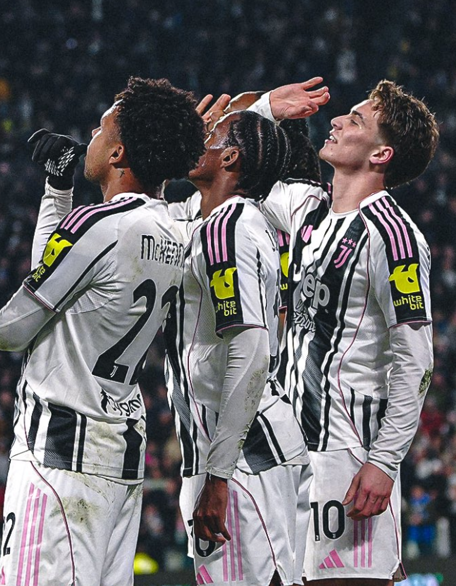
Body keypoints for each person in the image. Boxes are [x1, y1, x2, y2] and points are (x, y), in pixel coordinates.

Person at [0, 77, 205, 585]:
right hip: (121, 453)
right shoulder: (176, 231)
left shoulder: (97, 224)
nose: (91, 133)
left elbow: (10, 331)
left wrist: (62, 204)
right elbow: (55, 276)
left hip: (60, 452)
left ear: (117, 152)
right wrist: (57, 190)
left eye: (101, 127)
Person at [252, 78, 438, 584]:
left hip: (348, 456)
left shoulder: (394, 238)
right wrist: (269, 108)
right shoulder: (305, 208)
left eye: (355, 120)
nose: (335, 121)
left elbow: (416, 361)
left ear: (381, 154)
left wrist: (384, 462)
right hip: (286, 454)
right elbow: (239, 160)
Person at [164, 106, 312, 585]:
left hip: (245, 458)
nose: (199, 141)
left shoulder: (225, 229)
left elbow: (250, 350)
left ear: (229, 158)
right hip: (237, 453)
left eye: (210, 136)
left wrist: (219, 475)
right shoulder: (229, 223)